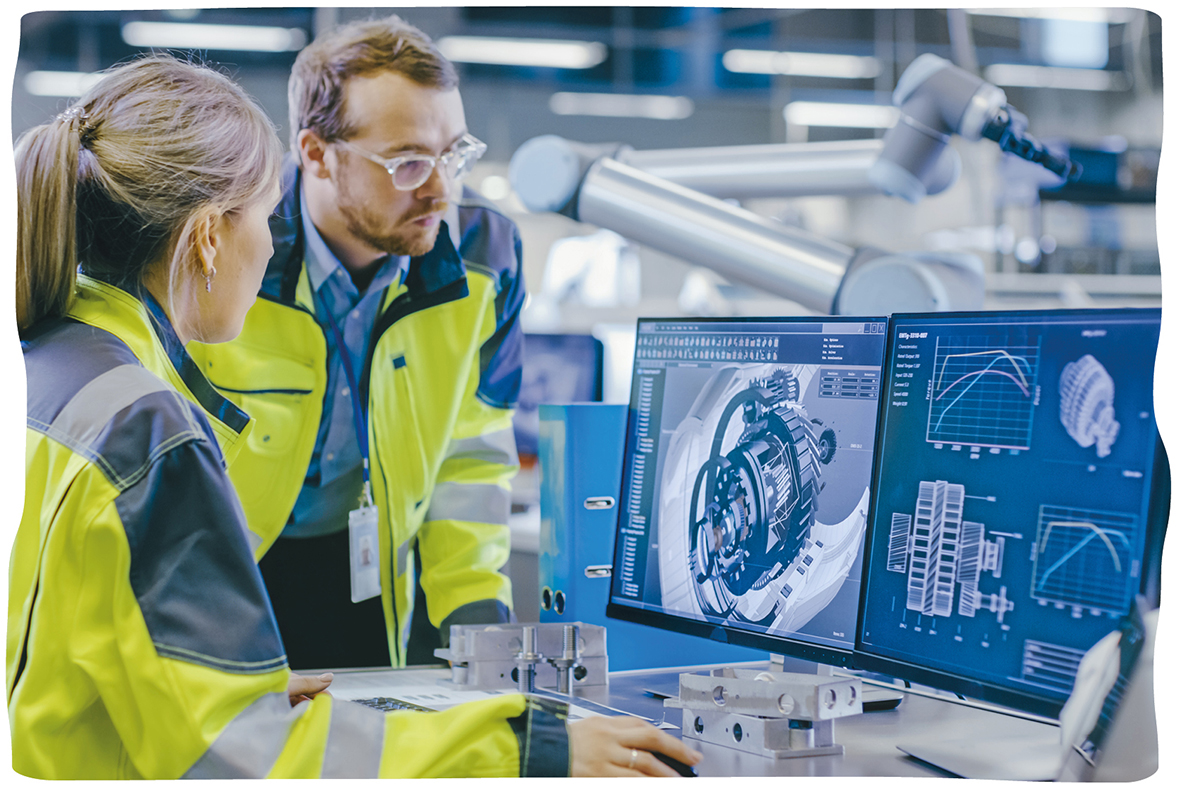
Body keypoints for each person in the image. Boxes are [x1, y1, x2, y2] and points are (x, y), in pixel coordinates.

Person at [10, 53, 701, 779]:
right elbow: (248, 764)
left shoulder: (53, 368)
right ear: (210, 237)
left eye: (452, 154)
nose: (271, 240)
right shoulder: (149, 432)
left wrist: (221, 689)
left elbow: (76, 645)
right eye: (259, 217)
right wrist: (531, 747)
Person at [189, 14, 525, 669]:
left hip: (374, 577)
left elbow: (471, 458)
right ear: (314, 153)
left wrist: (482, 638)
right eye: (406, 163)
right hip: (229, 579)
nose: (440, 189)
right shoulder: (228, 248)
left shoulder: (486, 254)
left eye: (452, 154)